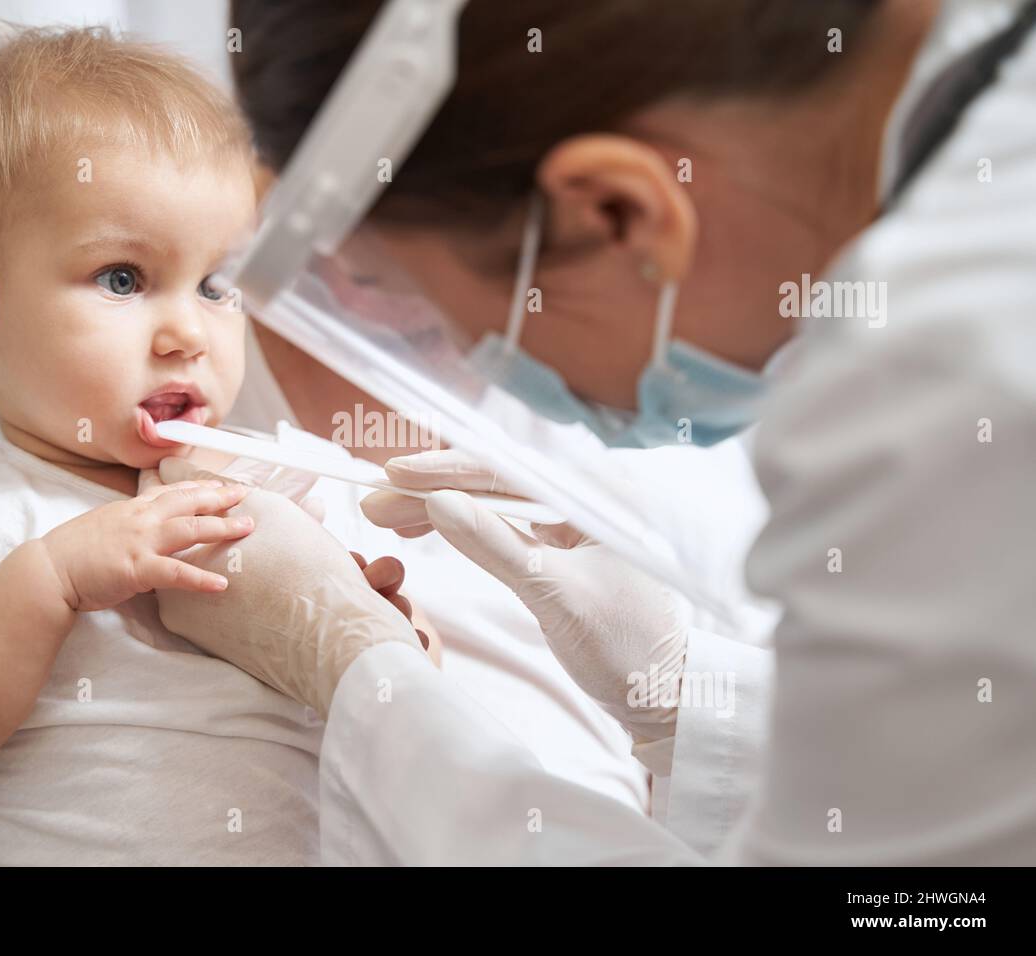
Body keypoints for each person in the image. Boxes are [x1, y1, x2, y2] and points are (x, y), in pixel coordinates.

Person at [0, 12, 680, 864]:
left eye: (219, 284)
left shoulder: (281, 484)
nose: (189, 329)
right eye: (119, 279)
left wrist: (386, 642)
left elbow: (399, 726)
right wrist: (52, 581)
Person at [166, 0, 1036, 863]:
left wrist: (358, 675)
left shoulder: (944, 379)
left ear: (614, 212)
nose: (476, 373)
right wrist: (684, 697)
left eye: (454, 326)